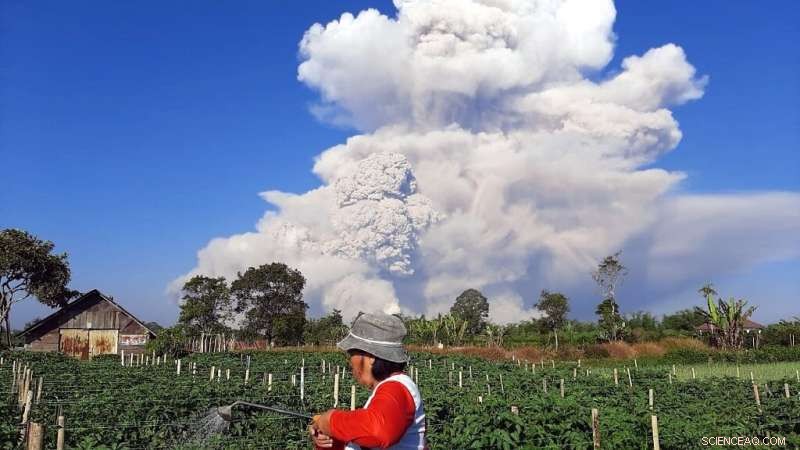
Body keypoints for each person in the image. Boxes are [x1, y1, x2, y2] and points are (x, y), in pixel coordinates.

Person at [309, 312, 427, 450]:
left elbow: (378, 432)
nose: (350, 361)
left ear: (371, 357)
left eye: (352, 354)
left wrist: (331, 421)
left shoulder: (396, 387)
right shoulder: (390, 388)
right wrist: (330, 441)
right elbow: (368, 441)